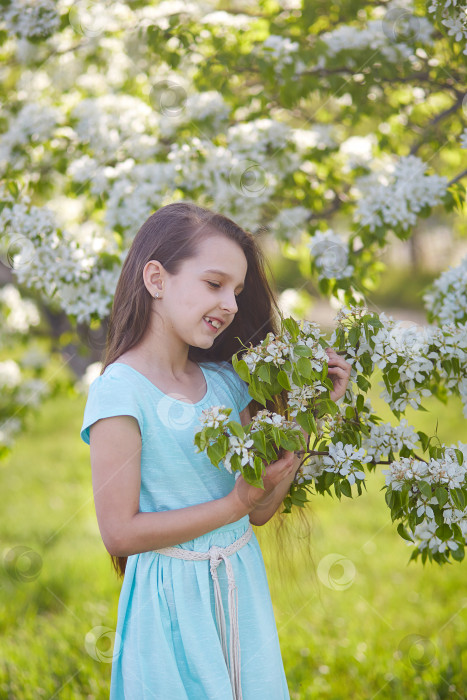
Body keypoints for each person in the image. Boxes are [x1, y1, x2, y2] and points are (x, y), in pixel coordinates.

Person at [79, 201, 351, 699]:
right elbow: (118, 532)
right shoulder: (120, 391)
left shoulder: (228, 383)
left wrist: (312, 413)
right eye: (213, 283)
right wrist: (235, 504)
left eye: (237, 290)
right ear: (156, 279)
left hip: (238, 583)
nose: (229, 303)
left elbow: (262, 509)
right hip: (172, 603)